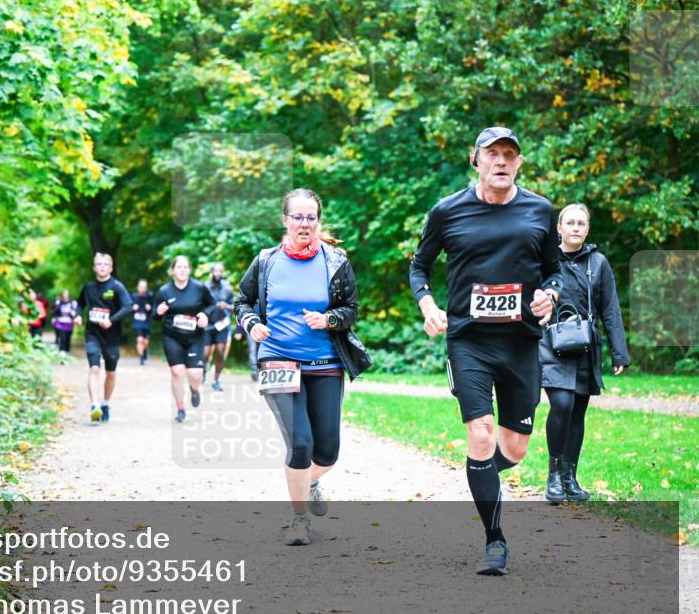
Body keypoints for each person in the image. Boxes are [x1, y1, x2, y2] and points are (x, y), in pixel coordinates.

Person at [408, 126, 561, 575]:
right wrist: (428, 303)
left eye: (508, 154)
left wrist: (548, 295)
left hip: (520, 343)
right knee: (480, 433)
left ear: (519, 163)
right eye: (491, 154)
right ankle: (495, 540)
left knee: (514, 449)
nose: (500, 161)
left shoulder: (540, 210)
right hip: (469, 340)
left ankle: (481, 474)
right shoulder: (448, 211)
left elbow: (554, 271)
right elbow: (419, 266)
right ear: (474, 160)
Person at [235, 188, 371, 546]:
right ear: (285, 220)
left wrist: (329, 320)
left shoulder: (336, 261)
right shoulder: (266, 261)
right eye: (297, 217)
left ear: (318, 221)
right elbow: (243, 301)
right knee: (300, 442)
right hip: (277, 357)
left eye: (311, 217)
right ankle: (299, 520)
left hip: (325, 362)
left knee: (326, 451)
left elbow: (352, 310)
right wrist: (251, 324)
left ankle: (309, 481)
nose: (304, 224)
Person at [541, 203, 629, 503]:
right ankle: (552, 476)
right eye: (570, 222)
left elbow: (610, 308)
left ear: (587, 229)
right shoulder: (546, 259)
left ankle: (570, 478)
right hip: (552, 343)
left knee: (577, 411)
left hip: (585, 346)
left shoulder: (598, 263)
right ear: (559, 228)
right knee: (562, 403)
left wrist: (620, 352)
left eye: (581, 223)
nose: (576, 227)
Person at [153, 255, 216, 423]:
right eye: (179, 267)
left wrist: (204, 314)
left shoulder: (199, 288)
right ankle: (180, 408)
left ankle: (194, 389)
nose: (182, 270)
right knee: (177, 372)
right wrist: (158, 311)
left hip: (195, 337)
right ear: (172, 270)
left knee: (195, 375)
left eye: (185, 267)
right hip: (172, 336)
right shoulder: (164, 291)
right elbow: (154, 315)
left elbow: (212, 305)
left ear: (189, 269)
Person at [74, 253, 133, 423]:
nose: (101, 266)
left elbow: (128, 306)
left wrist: (111, 320)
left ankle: (105, 404)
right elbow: (79, 304)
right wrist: (78, 316)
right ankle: (95, 405)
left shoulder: (116, 286)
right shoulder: (89, 287)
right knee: (94, 368)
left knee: (111, 373)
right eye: (98, 264)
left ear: (111, 268)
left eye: (105, 264)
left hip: (112, 337)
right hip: (93, 334)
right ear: (94, 267)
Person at [203, 262, 234, 391]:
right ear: (211, 272)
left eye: (220, 271)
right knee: (205, 355)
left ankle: (216, 380)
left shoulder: (227, 288)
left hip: (221, 326)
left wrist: (226, 306)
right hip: (207, 326)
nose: (218, 273)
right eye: (216, 271)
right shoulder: (205, 287)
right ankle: (203, 370)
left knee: (220, 353)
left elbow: (235, 307)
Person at [131, 279, 154, 365]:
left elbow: (155, 308)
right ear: (137, 287)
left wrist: (150, 308)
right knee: (140, 339)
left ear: (146, 288)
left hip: (147, 321)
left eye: (144, 287)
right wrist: (133, 307)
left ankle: (144, 351)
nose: (142, 288)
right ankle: (141, 358)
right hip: (137, 321)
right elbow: (128, 307)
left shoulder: (150, 296)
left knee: (145, 341)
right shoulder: (134, 296)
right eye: (141, 287)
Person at [52, 290, 78, 357]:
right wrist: (55, 318)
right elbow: (54, 311)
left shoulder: (73, 303)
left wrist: (73, 314)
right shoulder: (59, 303)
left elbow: (75, 313)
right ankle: (62, 352)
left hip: (69, 324)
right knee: (62, 337)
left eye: (66, 295)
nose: (65, 297)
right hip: (60, 324)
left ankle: (67, 351)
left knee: (67, 338)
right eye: (64, 295)